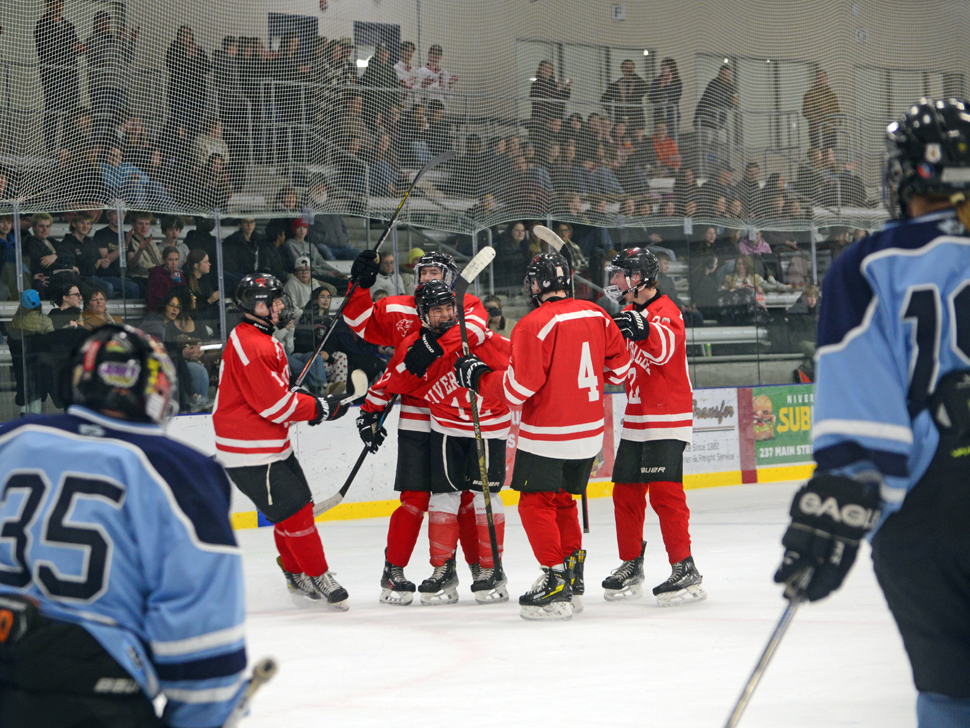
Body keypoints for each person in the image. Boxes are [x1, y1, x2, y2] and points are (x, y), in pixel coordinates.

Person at [773, 98, 970, 727]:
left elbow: (864, 431)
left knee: (950, 691)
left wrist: (840, 503)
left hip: (934, 510)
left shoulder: (867, 265)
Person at [0, 324, 251, 728]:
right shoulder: (178, 471)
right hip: (90, 693)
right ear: (158, 390)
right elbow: (201, 629)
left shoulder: (11, 439)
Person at [455, 253, 632, 620]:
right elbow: (620, 371)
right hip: (590, 433)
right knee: (564, 500)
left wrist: (479, 378)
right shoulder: (598, 314)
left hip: (550, 433)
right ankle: (572, 576)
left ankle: (553, 580)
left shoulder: (533, 323)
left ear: (536, 285)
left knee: (535, 504)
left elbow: (517, 390)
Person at [345, 250, 488, 605]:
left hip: (454, 412)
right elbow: (359, 323)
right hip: (416, 411)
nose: (427, 277)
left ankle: (476, 568)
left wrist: (432, 348)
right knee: (415, 498)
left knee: (462, 496)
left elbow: (474, 333)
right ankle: (393, 569)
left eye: (435, 271)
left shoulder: (465, 304)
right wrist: (359, 285)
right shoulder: (398, 307)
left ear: (450, 276)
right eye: (422, 272)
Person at [214, 274, 351, 609]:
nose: (280, 306)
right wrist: (320, 408)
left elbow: (273, 392)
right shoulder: (255, 345)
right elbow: (275, 406)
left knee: (294, 511)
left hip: (268, 444)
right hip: (251, 452)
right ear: (256, 307)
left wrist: (304, 399)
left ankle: (294, 572)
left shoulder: (254, 335)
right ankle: (318, 575)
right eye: (273, 302)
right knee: (298, 514)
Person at [600, 248, 706, 606]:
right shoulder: (628, 314)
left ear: (638, 277)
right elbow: (617, 370)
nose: (613, 281)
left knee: (664, 494)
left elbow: (662, 351)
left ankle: (684, 566)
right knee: (625, 492)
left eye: (618, 275)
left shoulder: (667, 310)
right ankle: (631, 562)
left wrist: (642, 328)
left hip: (668, 415)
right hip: (636, 416)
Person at [802, 69, 840, 152]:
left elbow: (837, 111)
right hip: (817, 131)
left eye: (822, 77)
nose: (820, 79)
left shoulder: (832, 95)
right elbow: (807, 112)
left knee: (830, 154)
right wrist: (821, 122)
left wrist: (836, 123)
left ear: (826, 78)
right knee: (818, 154)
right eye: (818, 78)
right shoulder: (810, 94)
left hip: (831, 131)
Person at [146, 245, 184, 310]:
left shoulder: (179, 274)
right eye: (170, 260)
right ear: (163, 259)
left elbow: (183, 294)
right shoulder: (156, 275)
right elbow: (155, 298)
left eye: (176, 259)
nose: (174, 263)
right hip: (160, 310)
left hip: (177, 310)